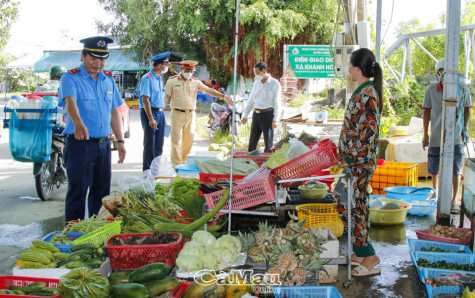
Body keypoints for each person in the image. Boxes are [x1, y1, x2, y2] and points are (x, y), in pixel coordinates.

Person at [58, 36, 126, 221]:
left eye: (102, 59)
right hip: (80, 145)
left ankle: (96, 230)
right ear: (83, 56)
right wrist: (78, 123)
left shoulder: (108, 80)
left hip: (103, 146)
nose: (98, 63)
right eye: (93, 58)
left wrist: (120, 141)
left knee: (101, 193)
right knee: (78, 192)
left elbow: (114, 112)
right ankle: (73, 234)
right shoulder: (70, 77)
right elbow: (70, 103)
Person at [334, 48, 383, 277]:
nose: (348, 72)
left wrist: (348, 156)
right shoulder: (363, 91)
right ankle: (359, 252)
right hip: (354, 162)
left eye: (349, 67)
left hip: (359, 163)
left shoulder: (368, 94)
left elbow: (367, 135)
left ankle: (370, 256)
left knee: (359, 207)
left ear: (356, 68)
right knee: (350, 205)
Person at [422, 57, 472, 214]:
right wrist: (425, 134)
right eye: (442, 72)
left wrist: (465, 130)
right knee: (434, 167)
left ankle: (454, 200)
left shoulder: (462, 89)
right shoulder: (431, 90)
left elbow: (467, 109)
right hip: (436, 135)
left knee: (456, 168)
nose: (445, 76)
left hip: (456, 136)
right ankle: (434, 195)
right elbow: (426, 112)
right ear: (439, 73)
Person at [164, 60, 232, 166]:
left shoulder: (195, 82)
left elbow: (208, 90)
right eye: (187, 70)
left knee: (188, 140)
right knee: (176, 141)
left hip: (191, 114)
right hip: (177, 114)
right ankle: (176, 165)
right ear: (182, 69)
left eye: (191, 71)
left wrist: (222, 96)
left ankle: (185, 163)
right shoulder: (172, 81)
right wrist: (160, 112)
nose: (189, 73)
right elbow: (166, 97)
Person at [138, 51, 170, 171]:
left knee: (159, 144)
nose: (167, 66)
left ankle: (156, 170)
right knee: (149, 145)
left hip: (159, 113)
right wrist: (151, 118)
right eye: (165, 64)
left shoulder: (159, 79)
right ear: (158, 65)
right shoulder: (147, 78)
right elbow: (145, 99)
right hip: (150, 113)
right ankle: (147, 172)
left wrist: (163, 117)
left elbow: (159, 100)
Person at [241, 62, 281, 153]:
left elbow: (277, 102)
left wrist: (276, 119)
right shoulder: (256, 83)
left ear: (264, 71)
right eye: (255, 74)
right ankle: (250, 162)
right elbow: (251, 99)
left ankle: (267, 164)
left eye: (257, 73)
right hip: (256, 114)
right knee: (252, 141)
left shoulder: (275, 84)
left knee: (268, 143)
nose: (256, 76)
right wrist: (245, 115)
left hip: (268, 114)